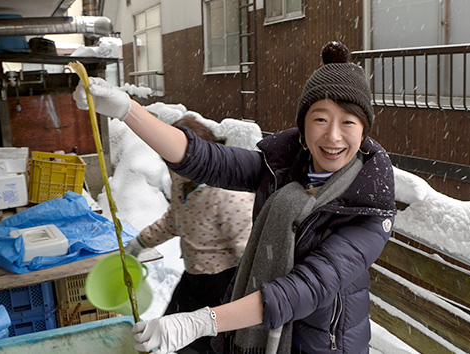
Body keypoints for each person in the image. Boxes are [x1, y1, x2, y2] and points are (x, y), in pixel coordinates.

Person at [74, 40, 396, 354]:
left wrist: (201, 322)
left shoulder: (367, 207)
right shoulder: (283, 169)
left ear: (364, 130)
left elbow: (307, 287)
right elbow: (205, 159)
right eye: (321, 119)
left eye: (349, 122)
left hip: (324, 344)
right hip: (266, 328)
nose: (333, 136)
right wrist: (128, 110)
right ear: (303, 126)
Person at [124, 116, 255, 354]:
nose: (177, 167)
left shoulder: (228, 193)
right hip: (193, 279)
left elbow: (247, 249)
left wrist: (250, 300)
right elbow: (174, 220)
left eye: (183, 159)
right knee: (169, 334)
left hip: (223, 284)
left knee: (208, 345)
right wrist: (140, 242)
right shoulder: (181, 182)